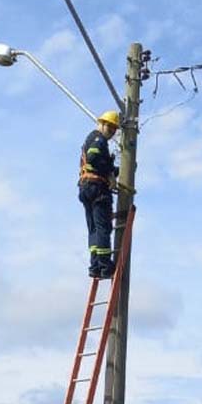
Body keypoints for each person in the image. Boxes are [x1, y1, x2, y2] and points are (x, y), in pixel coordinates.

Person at [79, 110, 119, 279]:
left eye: (113, 129)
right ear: (100, 124)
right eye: (108, 127)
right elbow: (94, 157)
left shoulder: (90, 139)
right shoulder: (98, 139)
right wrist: (111, 170)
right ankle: (104, 266)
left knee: (94, 229)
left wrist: (112, 170)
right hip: (97, 188)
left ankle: (94, 266)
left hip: (86, 187)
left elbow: (94, 162)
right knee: (103, 228)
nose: (110, 132)